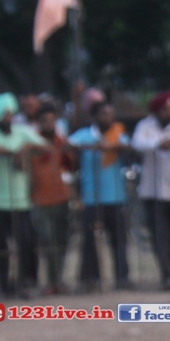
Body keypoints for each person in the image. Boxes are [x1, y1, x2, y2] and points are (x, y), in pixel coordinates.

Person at [0, 92, 45, 297]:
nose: (8, 117)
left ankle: (25, 282)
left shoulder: (21, 131)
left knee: (26, 242)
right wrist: (12, 153)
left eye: (10, 113)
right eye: (4, 114)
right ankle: (4, 285)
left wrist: (26, 148)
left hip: (19, 200)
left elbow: (45, 145)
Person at [68, 99, 135, 291]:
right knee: (90, 240)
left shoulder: (118, 134)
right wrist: (88, 147)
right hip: (91, 196)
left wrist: (114, 147)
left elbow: (129, 148)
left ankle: (122, 277)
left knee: (119, 240)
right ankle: (90, 279)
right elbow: (68, 145)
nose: (108, 118)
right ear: (95, 117)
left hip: (116, 195)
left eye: (111, 114)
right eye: (104, 114)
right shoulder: (84, 135)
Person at [132, 90, 170, 290]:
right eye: (166, 109)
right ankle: (167, 274)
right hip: (153, 192)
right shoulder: (145, 125)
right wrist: (158, 143)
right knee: (160, 236)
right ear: (158, 110)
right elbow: (137, 142)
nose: (169, 113)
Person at [28, 103, 75, 294]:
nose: (49, 124)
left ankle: (58, 281)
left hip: (61, 197)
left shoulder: (61, 143)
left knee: (62, 242)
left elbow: (70, 167)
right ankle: (50, 282)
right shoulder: (32, 144)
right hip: (40, 200)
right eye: (45, 121)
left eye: (52, 120)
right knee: (47, 242)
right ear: (39, 122)